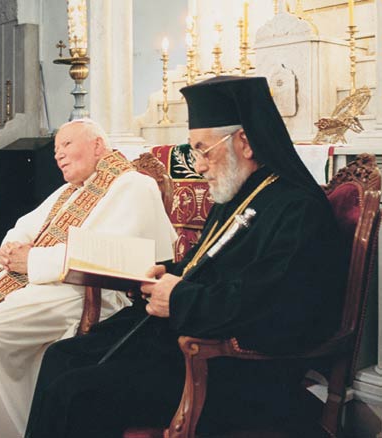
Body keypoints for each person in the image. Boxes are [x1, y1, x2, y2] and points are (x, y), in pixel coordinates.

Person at [25, 76, 348, 438]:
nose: (199, 165)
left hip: (233, 368)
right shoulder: (241, 195)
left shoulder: (296, 208)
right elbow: (208, 264)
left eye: (203, 150)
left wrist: (177, 298)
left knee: (77, 392)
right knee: (61, 357)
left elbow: (272, 306)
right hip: (192, 339)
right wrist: (167, 273)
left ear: (245, 142)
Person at [0, 118, 177, 438]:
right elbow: (25, 225)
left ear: (97, 145)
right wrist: (12, 250)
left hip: (90, 291)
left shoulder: (135, 185)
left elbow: (112, 259)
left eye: (66, 144)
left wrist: (32, 259)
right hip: (44, 280)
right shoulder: (70, 190)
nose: (57, 155)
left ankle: (0, 430)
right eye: (55, 149)